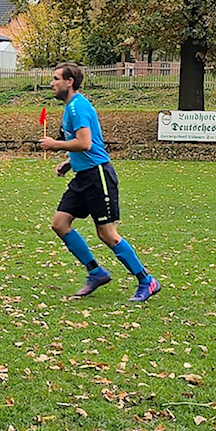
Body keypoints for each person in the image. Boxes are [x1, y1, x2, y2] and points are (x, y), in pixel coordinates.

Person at [41, 63, 160, 301]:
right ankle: (95, 271)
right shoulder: (70, 108)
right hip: (83, 175)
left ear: (69, 81)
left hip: (98, 177)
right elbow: (87, 145)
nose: (51, 83)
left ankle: (147, 280)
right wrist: (69, 162)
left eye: (55, 79)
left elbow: (85, 143)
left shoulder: (78, 107)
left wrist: (56, 145)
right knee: (60, 223)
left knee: (107, 234)